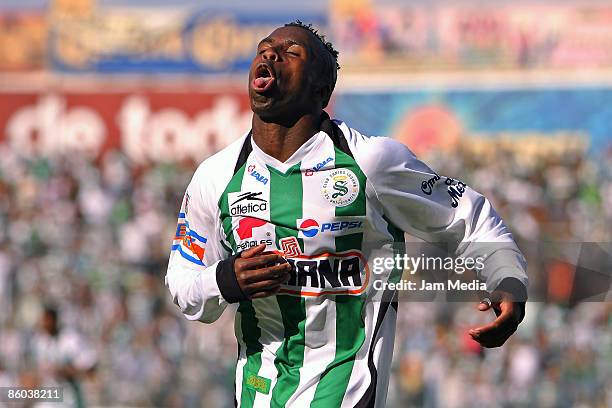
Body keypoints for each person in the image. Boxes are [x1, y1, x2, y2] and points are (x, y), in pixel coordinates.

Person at [165, 21, 528, 407]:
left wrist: (507, 279)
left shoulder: (370, 162)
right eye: (265, 48)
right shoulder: (216, 176)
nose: (270, 54)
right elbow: (183, 284)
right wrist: (225, 280)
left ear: (321, 90)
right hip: (258, 394)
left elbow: (468, 215)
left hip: (346, 394)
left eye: (291, 53)